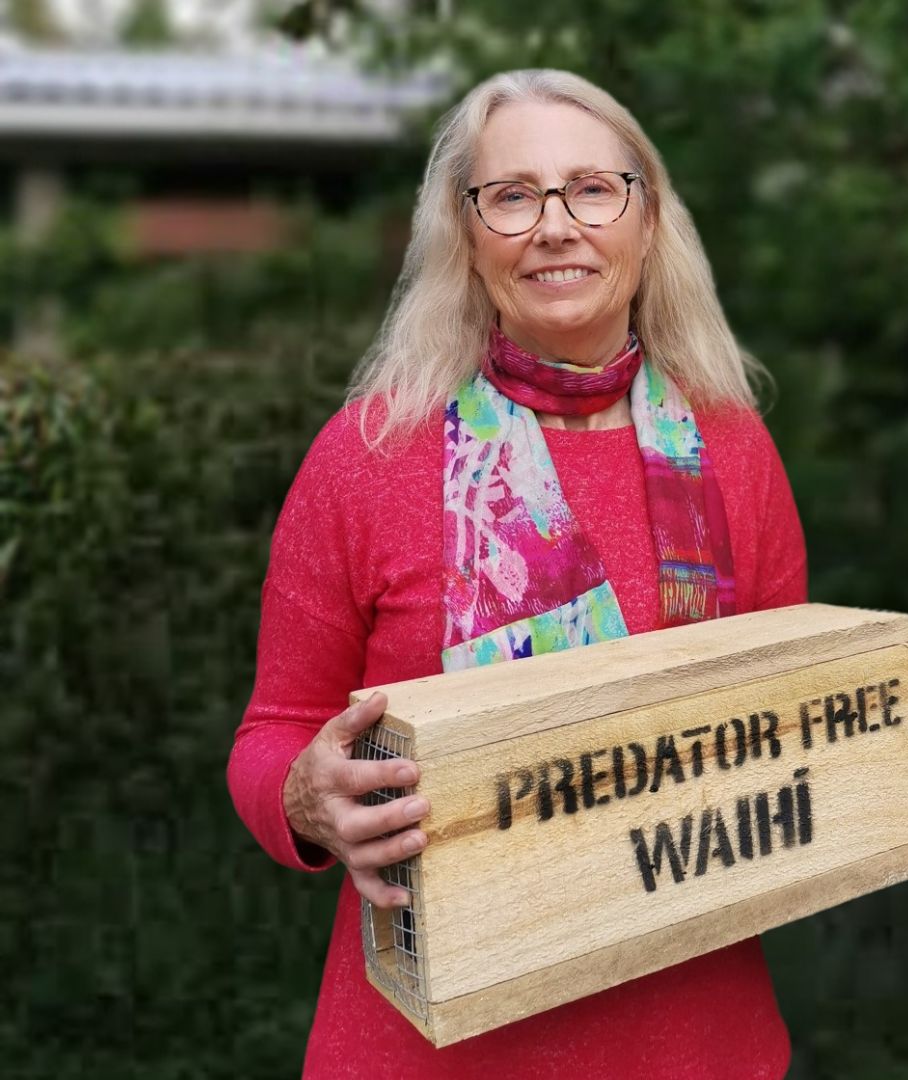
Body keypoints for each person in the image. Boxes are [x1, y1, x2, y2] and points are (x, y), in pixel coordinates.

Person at [226, 70, 803, 1078]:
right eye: (513, 195)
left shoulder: (732, 445)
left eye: (591, 189)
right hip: (431, 1048)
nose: (556, 226)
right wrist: (310, 799)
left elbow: (794, 719)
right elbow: (271, 737)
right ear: (466, 232)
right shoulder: (367, 456)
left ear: (646, 216)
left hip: (696, 1041)